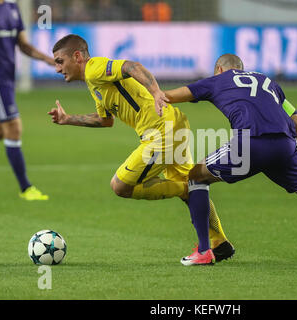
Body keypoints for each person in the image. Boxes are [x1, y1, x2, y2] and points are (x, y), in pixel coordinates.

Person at [163, 53, 297, 266]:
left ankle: (204, 251)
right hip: (285, 146)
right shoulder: (268, 83)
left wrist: (152, 93)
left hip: (250, 144)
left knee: (196, 177)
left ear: (219, 68)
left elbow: (170, 96)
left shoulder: (217, 80)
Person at [48, 34, 234, 261]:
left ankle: (186, 189)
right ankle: (220, 243)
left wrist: (157, 93)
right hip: (171, 125)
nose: (57, 69)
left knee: (120, 186)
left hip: (160, 131)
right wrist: (68, 119)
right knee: (191, 182)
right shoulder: (94, 83)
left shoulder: (95, 68)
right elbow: (105, 120)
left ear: (77, 56)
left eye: (60, 61)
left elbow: (132, 66)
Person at [0, 0, 53, 200]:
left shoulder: (12, 7)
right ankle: (26, 188)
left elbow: (23, 44)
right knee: (13, 127)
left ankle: (26, 188)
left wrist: (46, 59)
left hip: (8, 78)